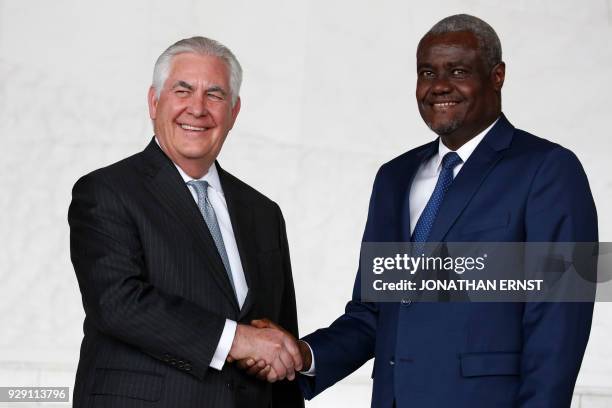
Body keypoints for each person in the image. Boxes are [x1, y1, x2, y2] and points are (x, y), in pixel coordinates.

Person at [241, 14, 598, 407]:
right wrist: (305, 356)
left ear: (497, 76)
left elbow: (558, 326)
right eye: (427, 72)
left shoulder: (549, 169)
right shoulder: (394, 178)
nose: (439, 86)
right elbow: (373, 313)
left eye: (458, 70)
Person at [68, 36, 304, 408]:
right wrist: (237, 340)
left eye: (214, 94)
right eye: (183, 90)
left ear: (234, 111)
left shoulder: (263, 212)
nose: (198, 108)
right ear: (154, 101)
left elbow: (278, 339)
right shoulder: (106, 191)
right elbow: (117, 302)